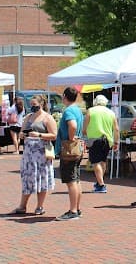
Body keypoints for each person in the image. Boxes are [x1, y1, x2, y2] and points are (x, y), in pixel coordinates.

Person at [12, 95, 57, 216]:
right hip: (28, 154)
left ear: (41, 104)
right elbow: (21, 131)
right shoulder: (28, 117)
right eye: (31, 105)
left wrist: (39, 135)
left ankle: (40, 206)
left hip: (41, 153)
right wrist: (22, 135)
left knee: (41, 179)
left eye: (34, 105)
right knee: (27, 179)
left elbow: (54, 135)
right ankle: (22, 206)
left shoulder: (48, 118)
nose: (32, 107)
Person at [54, 86, 84, 221]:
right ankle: (76, 208)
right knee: (76, 179)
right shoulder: (77, 109)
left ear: (65, 96)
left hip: (69, 148)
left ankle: (73, 210)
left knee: (71, 180)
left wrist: (71, 138)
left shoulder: (69, 111)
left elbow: (72, 125)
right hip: (77, 148)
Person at [84, 94, 119, 194]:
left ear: (96, 101)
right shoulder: (111, 112)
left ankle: (102, 185)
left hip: (95, 139)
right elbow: (116, 128)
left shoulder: (91, 110)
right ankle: (99, 183)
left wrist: (85, 132)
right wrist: (116, 141)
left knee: (95, 162)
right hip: (107, 140)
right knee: (103, 161)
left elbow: (84, 127)